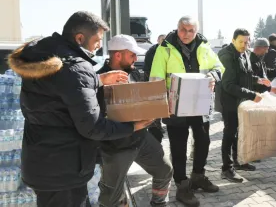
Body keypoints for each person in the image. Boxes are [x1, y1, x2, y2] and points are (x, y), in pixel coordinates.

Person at [7, 11, 152, 207]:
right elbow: (93, 127)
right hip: (64, 170)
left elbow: (58, 93)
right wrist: (133, 126)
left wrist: (97, 80)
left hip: (42, 162)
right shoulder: (76, 67)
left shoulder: (45, 58)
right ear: (80, 38)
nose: (99, 45)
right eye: (97, 40)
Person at [149, 16, 222, 207]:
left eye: (191, 30)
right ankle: (182, 185)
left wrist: (214, 76)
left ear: (196, 31)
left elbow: (219, 66)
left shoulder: (205, 47)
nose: (187, 34)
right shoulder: (164, 49)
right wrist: (161, 101)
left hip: (200, 104)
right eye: (183, 29)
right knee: (178, 147)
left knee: (204, 141)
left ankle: (198, 176)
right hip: (176, 106)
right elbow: (155, 77)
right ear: (177, 28)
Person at [96, 34, 173, 207]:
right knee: (111, 197)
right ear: (118, 55)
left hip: (140, 138)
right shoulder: (99, 80)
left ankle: (159, 204)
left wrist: (158, 110)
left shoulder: (134, 73)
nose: (135, 58)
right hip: (115, 146)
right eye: (132, 54)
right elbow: (96, 121)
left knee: (164, 170)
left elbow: (144, 102)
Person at [218, 29, 271, 183]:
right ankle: (226, 168)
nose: (244, 45)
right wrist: (252, 95)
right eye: (241, 42)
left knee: (239, 132)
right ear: (233, 40)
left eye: (247, 42)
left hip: (241, 102)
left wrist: (258, 80)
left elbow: (245, 75)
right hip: (229, 102)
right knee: (230, 133)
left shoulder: (246, 53)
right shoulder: (226, 56)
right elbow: (228, 85)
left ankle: (238, 161)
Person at [143, 34, 168, 143]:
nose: (163, 42)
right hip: (154, 88)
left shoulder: (167, 51)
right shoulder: (152, 52)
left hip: (165, 86)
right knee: (155, 116)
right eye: (162, 40)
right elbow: (147, 72)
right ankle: (156, 137)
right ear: (158, 40)